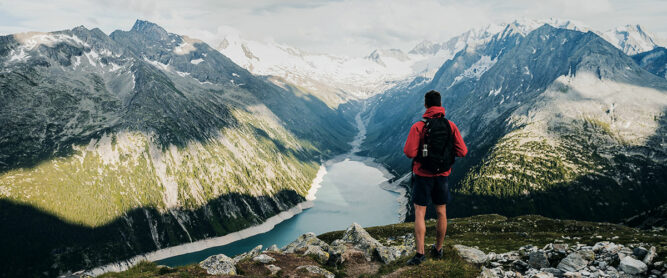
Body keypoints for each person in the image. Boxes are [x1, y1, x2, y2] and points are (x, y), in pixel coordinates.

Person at [403, 90, 467, 265]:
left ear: (425, 105)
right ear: (440, 105)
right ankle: (438, 249)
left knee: (419, 212)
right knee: (441, 213)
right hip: (442, 176)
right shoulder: (450, 126)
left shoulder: (418, 126)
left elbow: (409, 152)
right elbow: (463, 151)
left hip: (423, 175)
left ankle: (420, 254)